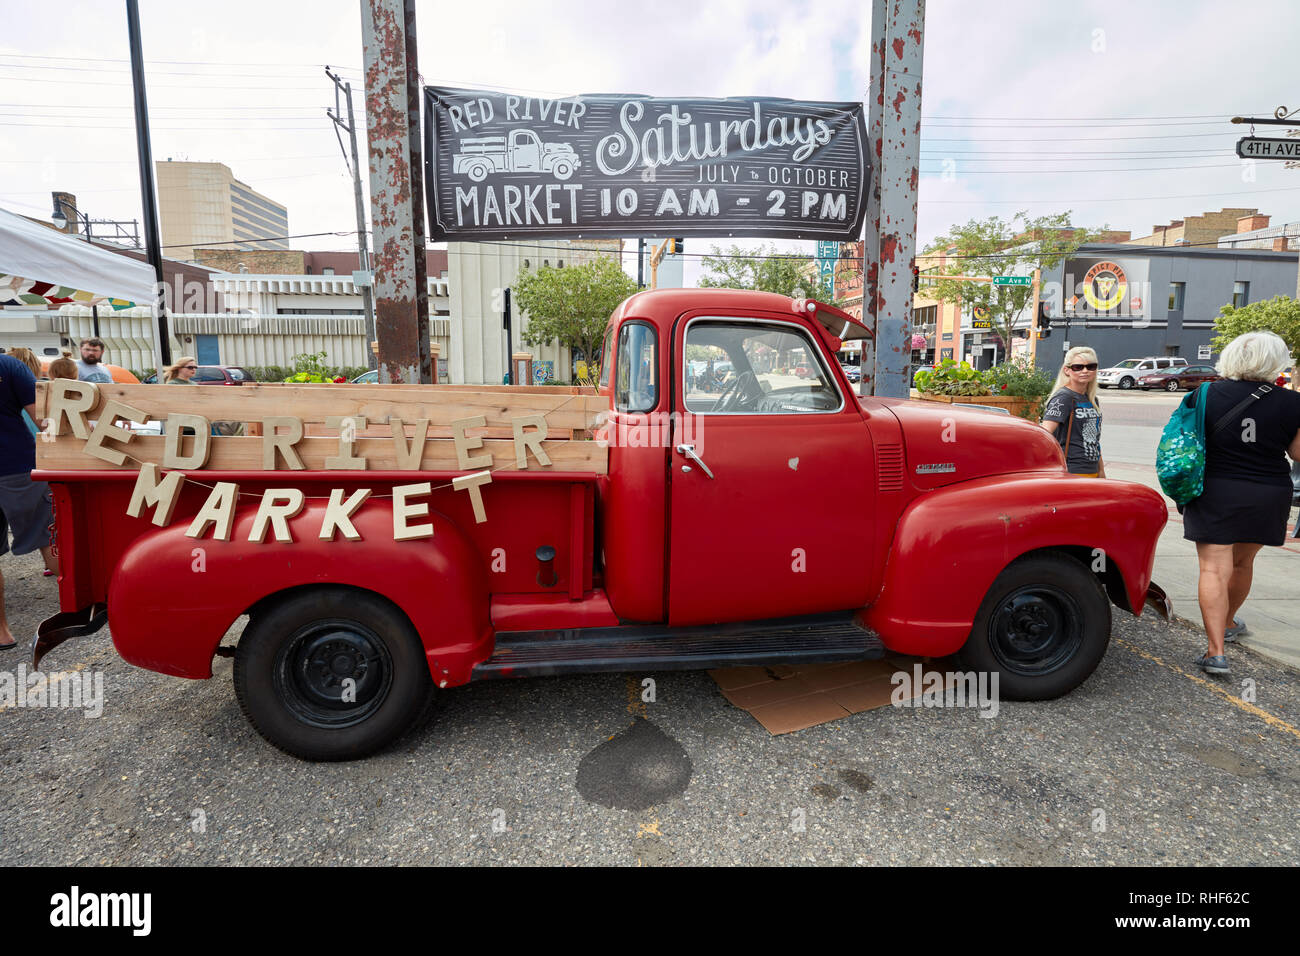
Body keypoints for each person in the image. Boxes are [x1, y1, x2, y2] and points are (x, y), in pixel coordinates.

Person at [1181, 331, 1300, 676]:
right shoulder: (1293, 402)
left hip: (1215, 490)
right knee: (1243, 562)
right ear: (1276, 361)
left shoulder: (1203, 394)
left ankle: (1215, 652)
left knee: (1213, 569)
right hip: (1267, 492)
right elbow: (1296, 454)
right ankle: (1229, 622)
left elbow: (1183, 442)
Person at [0, 351, 58, 649]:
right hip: (17, 466)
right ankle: (83, 604)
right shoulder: (9, 366)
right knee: (47, 535)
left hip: (16, 466)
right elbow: (43, 419)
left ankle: (2, 632)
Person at [1040, 346, 1106, 478]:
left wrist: (1101, 470)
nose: (1085, 371)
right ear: (1067, 370)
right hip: (1071, 469)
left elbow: (1095, 439)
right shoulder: (1064, 397)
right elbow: (1044, 433)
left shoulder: (1092, 400)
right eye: (1078, 367)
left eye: (1091, 366)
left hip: (1091, 469)